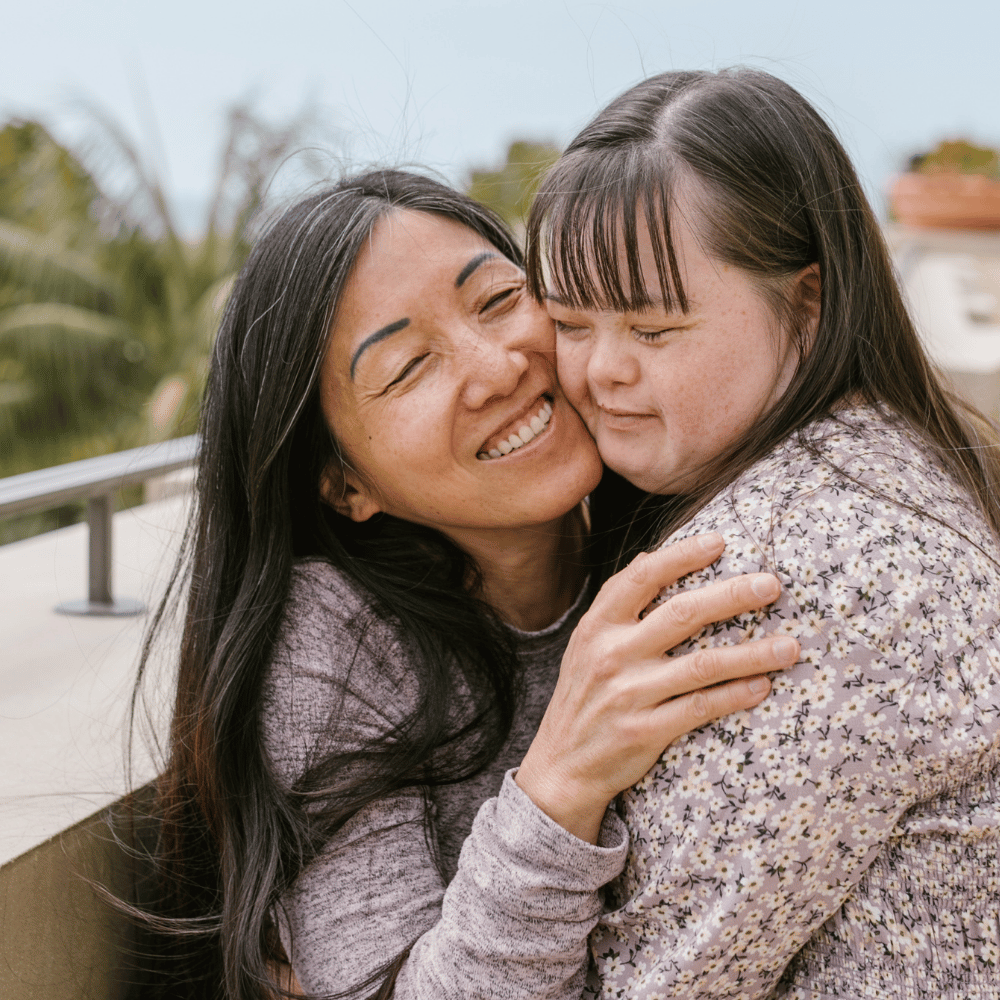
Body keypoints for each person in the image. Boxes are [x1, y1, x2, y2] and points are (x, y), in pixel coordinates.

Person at [129, 168, 801, 1000]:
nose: (499, 367)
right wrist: (561, 782)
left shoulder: (696, 523)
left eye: (497, 301)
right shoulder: (332, 646)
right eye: (410, 367)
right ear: (344, 485)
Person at [524, 67, 1000, 999]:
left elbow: (650, 985)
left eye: (655, 329)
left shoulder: (805, 581)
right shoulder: (880, 459)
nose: (600, 371)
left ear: (808, 305)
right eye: (569, 321)